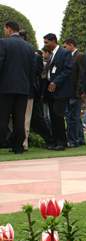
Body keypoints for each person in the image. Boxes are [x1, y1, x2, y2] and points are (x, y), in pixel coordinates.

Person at [0, 21, 34, 154]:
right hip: (23, 88)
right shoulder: (29, 47)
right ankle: (18, 146)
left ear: (9, 29)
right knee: (19, 119)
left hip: (5, 87)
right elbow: (32, 70)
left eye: (4, 29)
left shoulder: (3, 43)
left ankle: (3, 142)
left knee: (2, 118)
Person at [44, 33, 73, 151]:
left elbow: (68, 70)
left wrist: (55, 82)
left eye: (46, 42)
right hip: (51, 90)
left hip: (60, 90)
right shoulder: (51, 55)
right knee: (53, 116)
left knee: (58, 116)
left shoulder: (64, 53)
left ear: (53, 41)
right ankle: (57, 141)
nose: (45, 45)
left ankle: (61, 142)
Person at [63, 38, 86, 148]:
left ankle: (74, 140)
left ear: (71, 45)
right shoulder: (70, 56)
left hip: (75, 93)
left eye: (65, 46)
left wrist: (79, 92)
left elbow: (81, 75)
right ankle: (80, 139)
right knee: (75, 117)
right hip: (70, 92)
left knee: (73, 118)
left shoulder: (79, 56)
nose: (65, 48)